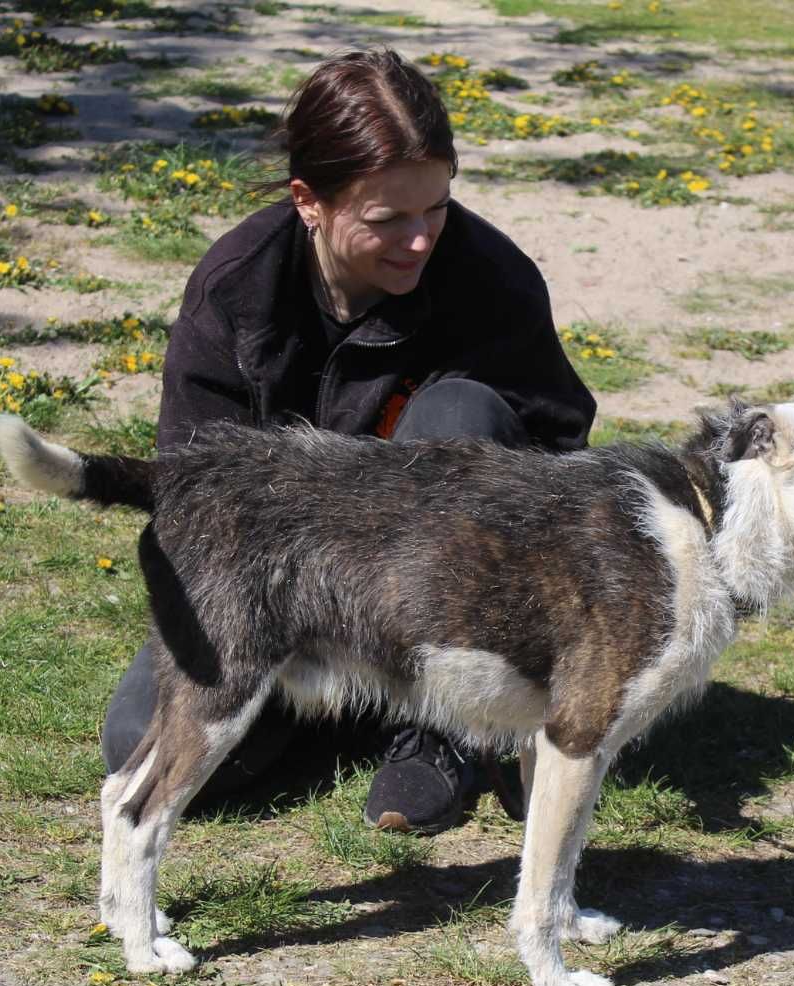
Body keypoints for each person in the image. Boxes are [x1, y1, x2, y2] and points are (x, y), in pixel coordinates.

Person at [102, 47, 597, 833]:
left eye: (436, 208)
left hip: (445, 610)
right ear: (308, 201)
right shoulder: (237, 286)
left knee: (461, 414)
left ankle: (441, 732)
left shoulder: (491, 279)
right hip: (283, 592)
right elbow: (188, 492)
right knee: (134, 741)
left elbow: (561, 454)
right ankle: (337, 709)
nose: (420, 239)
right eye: (387, 219)